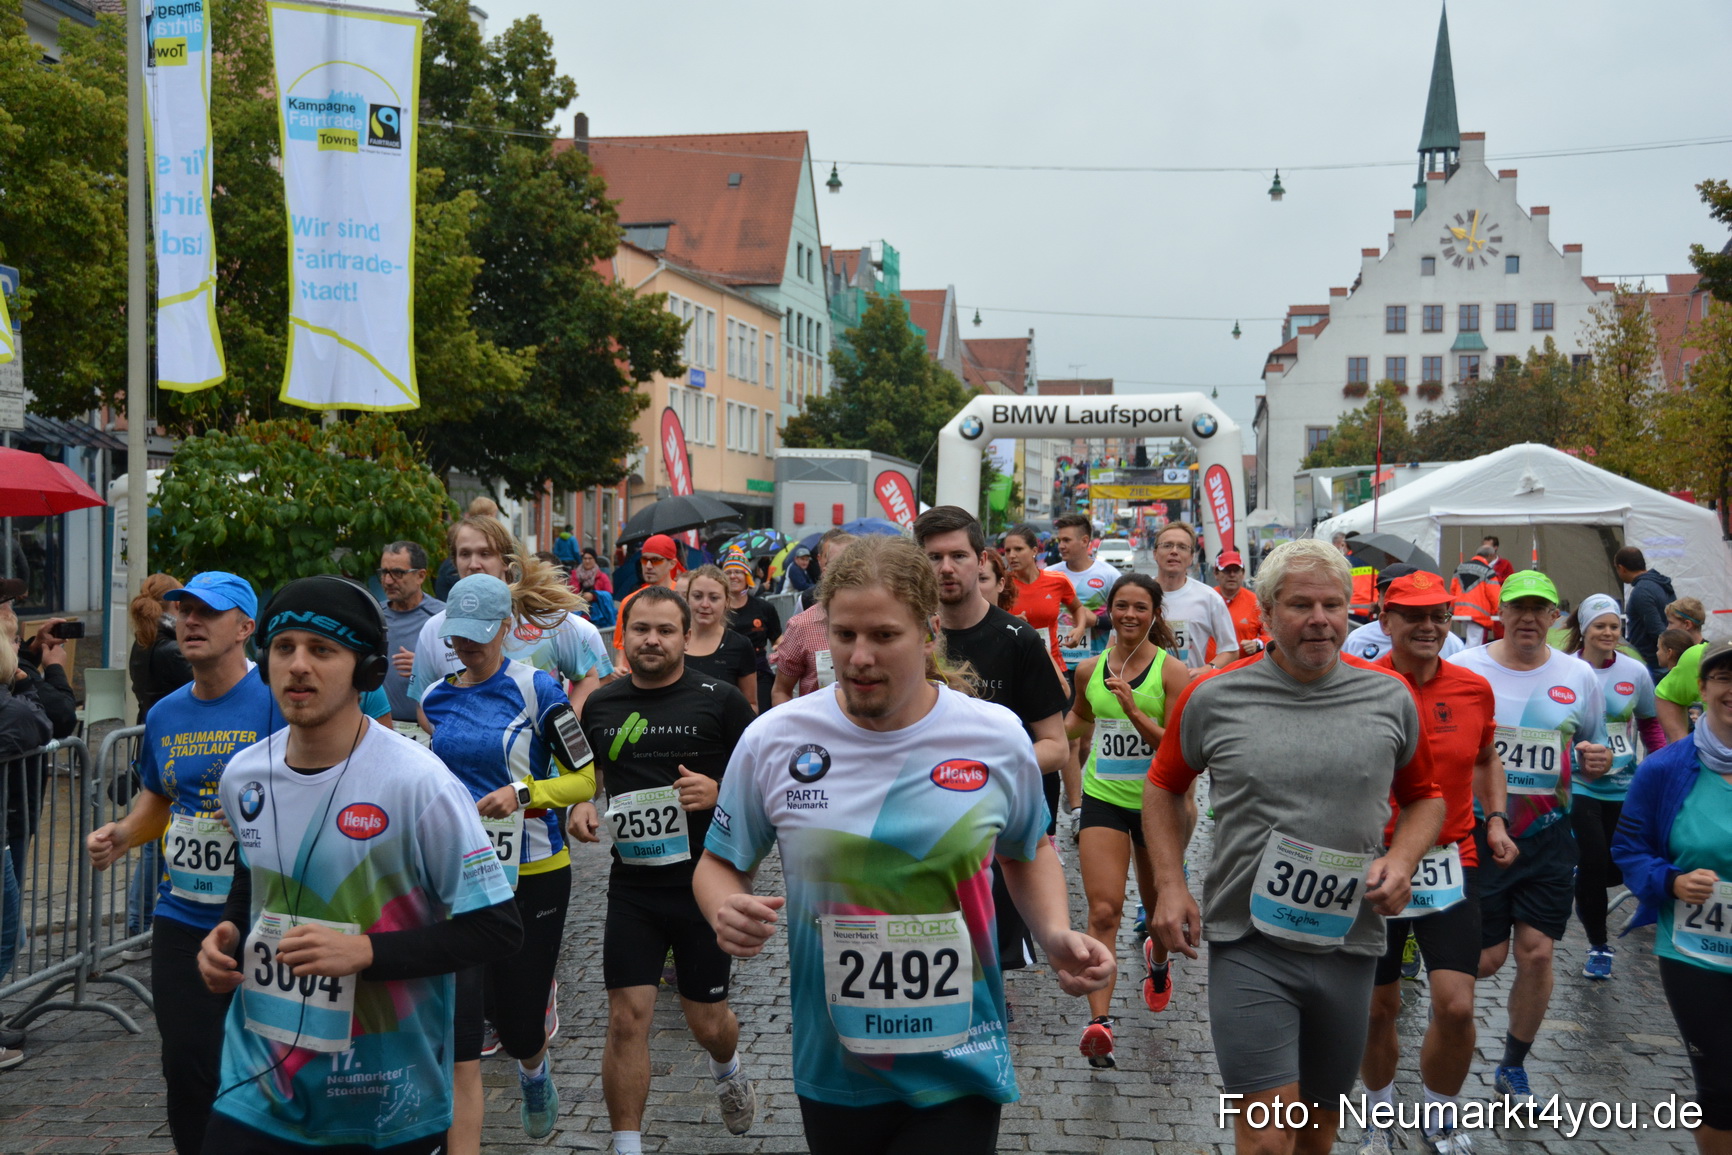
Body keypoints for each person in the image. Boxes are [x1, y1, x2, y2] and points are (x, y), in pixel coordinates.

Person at [695, 535, 1113, 1155]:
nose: (860, 657)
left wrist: (1053, 933)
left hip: (960, 1058)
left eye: (884, 636)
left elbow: (1027, 850)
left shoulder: (994, 736)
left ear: (928, 630)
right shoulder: (774, 740)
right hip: (836, 1065)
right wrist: (723, 907)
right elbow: (719, 864)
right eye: (844, 636)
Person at [194, 575, 521, 1153]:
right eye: (284, 648)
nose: (298, 666)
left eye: (322, 651)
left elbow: (496, 929)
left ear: (366, 671)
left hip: (383, 1092)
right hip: (259, 1083)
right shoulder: (241, 775)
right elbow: (254, 870)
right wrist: (230, 927)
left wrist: (368, 953)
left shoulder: (419, 784)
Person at [1144, 538, 1445, 1155]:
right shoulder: (1215, 694)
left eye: (1333, 605)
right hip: (1248, 939)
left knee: (1315, 1135)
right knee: (1265, 1136)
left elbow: (1427, 797)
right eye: (1301, 604)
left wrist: (1403, 859)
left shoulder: (1388, 697)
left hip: (1349, 941)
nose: (1319, 619)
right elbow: (1163, 785)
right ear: (1266, 610)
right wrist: (1171, 886)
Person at [85, 572, 274, 1153]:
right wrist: (121, 835)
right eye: (183, 611)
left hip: (265, 916)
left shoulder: (276, 700)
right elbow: (161, 799)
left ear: (245, 627)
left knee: (269, 1065)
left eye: (207, 613)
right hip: (183, 917)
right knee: (188, 1068)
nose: (189, 621)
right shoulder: (166, 714)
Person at [568, 585, 759, 1154]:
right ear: (622, 638)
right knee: (628, 1018)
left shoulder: (720, 700)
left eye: (665, 630)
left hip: (706, 882)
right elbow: (590, 775)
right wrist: (582, 803)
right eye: (641, 629)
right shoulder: (601, 704)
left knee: (707, 1022)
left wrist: (719, 788)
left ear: (684, 637)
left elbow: (766, 784)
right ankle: (628, 1145)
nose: (652, 639)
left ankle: (727, 1067)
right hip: (633, 887)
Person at [419, 574, 596, 1147]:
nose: (464, 647)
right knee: (469, 1013)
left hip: (535, 870)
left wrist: (525, 795)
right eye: (456, 637)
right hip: (462, 869)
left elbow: (585, 778)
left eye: (475, 636)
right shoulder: (436, 696)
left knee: (519, 1025)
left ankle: (534, 1071)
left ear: (502, 628)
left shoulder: (537, 689)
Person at [1357, 571, 1514, 1155]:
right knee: (1379, 1006)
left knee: (1455, 1003)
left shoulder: (1473, 689)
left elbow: (1484, 758)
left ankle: (1441, 1114)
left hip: (1452, 857)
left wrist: (1495, 818)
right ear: (1386, 620)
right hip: (1374, 864)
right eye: (1414, 616)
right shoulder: (1359, 685)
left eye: (1439, 616)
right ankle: (1377, 1112)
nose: (1429, 627)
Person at [1451, 569, 1610, 1103]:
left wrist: (1601, 759)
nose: (1527, 618)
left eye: (1539, 609)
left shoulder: (1579, 675)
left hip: (1548, 836)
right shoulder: (1465, 668)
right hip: (1478, 833)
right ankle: (1446, 1025)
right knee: (1487, 958)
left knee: (1538, 953)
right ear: (1501, 613)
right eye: (1517, 607)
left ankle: (1513, 1065)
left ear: (1554, 618)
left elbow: (1594, 746)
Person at [917, 506, 1069, 977]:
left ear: (981, 559)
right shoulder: (907, 636)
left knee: (986, 969)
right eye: (933, 556)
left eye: (957, 555)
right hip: (918, 830)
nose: (945, 568)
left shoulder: (1017, 639)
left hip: (990, 835)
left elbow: (1055, 747)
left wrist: (979, 777)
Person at [1610, 639, 1732, 1155]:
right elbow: (1629, 848)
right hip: (1694, 952)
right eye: (1724, 677)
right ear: (1701, 688)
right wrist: (1672, 882)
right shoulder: (1664, 769)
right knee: (1721, 1089)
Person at [1067, 573, 1189, 1069]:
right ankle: (1100, 1022)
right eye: (1122, 606)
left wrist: (1135, 711)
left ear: (1155, 613)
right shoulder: (1090, 669)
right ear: (1109, 611)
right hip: (1103, 798)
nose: (1130, 615)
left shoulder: (1172, 672)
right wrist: (1027, 728)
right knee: (1104, 910)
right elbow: (1077, 722)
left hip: (1158, 804)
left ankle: (1157, 965)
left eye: (1141, 607)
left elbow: (1179, 749)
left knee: (1160, 909)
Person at [1563, 593, 1665, 981]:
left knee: (1614, 869)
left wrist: (1661, 766)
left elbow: (1650, 724)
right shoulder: (1567, 669)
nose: (1608, 632)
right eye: (1600, 625)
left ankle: (1585, 879)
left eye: (1614, 626)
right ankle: (1598, 946)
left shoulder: (1635, 672)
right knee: (1592, 863)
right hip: (1581, 785)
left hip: (1626, 785)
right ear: (1585, 630)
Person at [409, 515, 607, 714]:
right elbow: (423, 704)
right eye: (464, 554)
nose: (473, 564)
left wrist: (558, 730)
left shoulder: (543, 617)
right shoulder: (435, 628)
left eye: (485, 553)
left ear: (505, 561)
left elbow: (589, 678)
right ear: (455, 561)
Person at [120, 572, 196, 953]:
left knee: (157, 838)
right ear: (175, 603)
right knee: (156, 840)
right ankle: (138, 922)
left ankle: (139, 920)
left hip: (150, 740)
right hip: (167, 744)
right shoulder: (168, 648)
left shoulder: (145, 642)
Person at [0, 619, 51, 1070]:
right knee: (5, 934)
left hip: (10, 822)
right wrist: (31, 679)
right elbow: (43, 723)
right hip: (4, 830)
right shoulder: (11, 708)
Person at [771, 531, 855, 705]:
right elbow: (781, 691)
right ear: (824, 570)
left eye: (853, 564)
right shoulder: (803, 625)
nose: (844, 572)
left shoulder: (885, 624)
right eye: (836, 565)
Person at [1150, 523, 1239, 677]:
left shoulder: (1209, 598)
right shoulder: (1138, 593)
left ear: (1191, 557)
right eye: (1167, 545)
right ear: (1155, 553)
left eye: (1182, 547)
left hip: (1187, 690)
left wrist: (1206, 669)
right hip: (1142, 692)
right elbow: (1115, 644)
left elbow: (1230, 651)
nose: (1174, 551)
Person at [1001, 524, 1092, 673]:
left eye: (1018, 549)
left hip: (1052, 665)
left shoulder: (1058, 580)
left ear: (1034, 551)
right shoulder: (1001, 584)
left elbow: (1077, 608)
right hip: (1014, 667)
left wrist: (1080, 628)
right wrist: (1009, 622)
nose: (1011, 555)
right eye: (1007, 550)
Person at [377, 541, 444, 737]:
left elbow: (465, 674)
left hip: (427, 730)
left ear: (420, 575)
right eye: (384, 572)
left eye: (397, 573)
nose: (388, 581)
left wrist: (425, 669)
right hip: (380, 729)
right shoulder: (372, 614)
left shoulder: (442, 617)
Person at [1342, 565, 1468, 664]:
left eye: (1439, 617)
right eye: (1388, 592)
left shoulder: (1453, 644)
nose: (1428, 627)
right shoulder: (1357, 639)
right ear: (1378, 597)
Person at [1047, 513, 1121, 670]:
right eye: (1059, 540)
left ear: (1084, 541)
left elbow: (1123, 621)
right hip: (1057, 666)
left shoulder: (1110, 575)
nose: (1060, 546)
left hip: (1095, 665)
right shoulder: (1049, 574)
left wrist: (1096, 621)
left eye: (1067, 540)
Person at [680, 565, 757, 706]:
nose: (704, 604)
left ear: (727, 602)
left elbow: (750, 704)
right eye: (697, 596)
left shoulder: (739, 645)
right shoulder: (673, 641)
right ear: (687, 598)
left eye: (714, 598)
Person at [128, 573, 195, 721]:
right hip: (173, 731)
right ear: (178, 604)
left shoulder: (142, 641)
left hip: (150, 729)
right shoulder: (173, 650)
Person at [722, 552, 781, 713]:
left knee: (760, 719)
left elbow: (777, 639)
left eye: (738, 572)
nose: (733, 576)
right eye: (728, 572)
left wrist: (782, 648)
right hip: (726, 673)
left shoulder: (764, 608)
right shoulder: (718, 610)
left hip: (759, 673)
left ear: (747, 575)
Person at [612, 534, 682, 652]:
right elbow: (622, 652)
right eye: (644, 560)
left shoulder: (684, 597)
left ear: (672, 563)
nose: (648, 566)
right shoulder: (630, 601)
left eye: (656, 560)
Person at [1616, 545, 1676, 681]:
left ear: (1621, 568)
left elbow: (1656, 629)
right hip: (1666, 661)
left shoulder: (1641, 591)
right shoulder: (1661, 583)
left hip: (1653, 664)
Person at [1207, 551, 1267, 662]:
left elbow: (1271, 634)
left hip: (1243, 670)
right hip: (1210, 672)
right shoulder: (1206, 599)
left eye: (1236, 570)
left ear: (1243, 574)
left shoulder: (1255, 602)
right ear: (1216, 574)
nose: (1232, 575)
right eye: (1226, 570)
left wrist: (1258, 644)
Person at [1449, 548, 1503, 648]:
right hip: (1478, 614)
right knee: (1474, 645)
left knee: (1466, 643)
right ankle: (1466, 664)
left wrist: (1451, 609)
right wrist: (1499, 610)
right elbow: (1494, 594)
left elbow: (1453, 589)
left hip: (1461, 612)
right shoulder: (1488, 571)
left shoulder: (1460, 568)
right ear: (1490, 556)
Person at [979, 548, 1017, 614]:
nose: (974, 586)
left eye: (982, 579)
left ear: (1000, 584)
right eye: (970, 579)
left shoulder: (1013, 623)